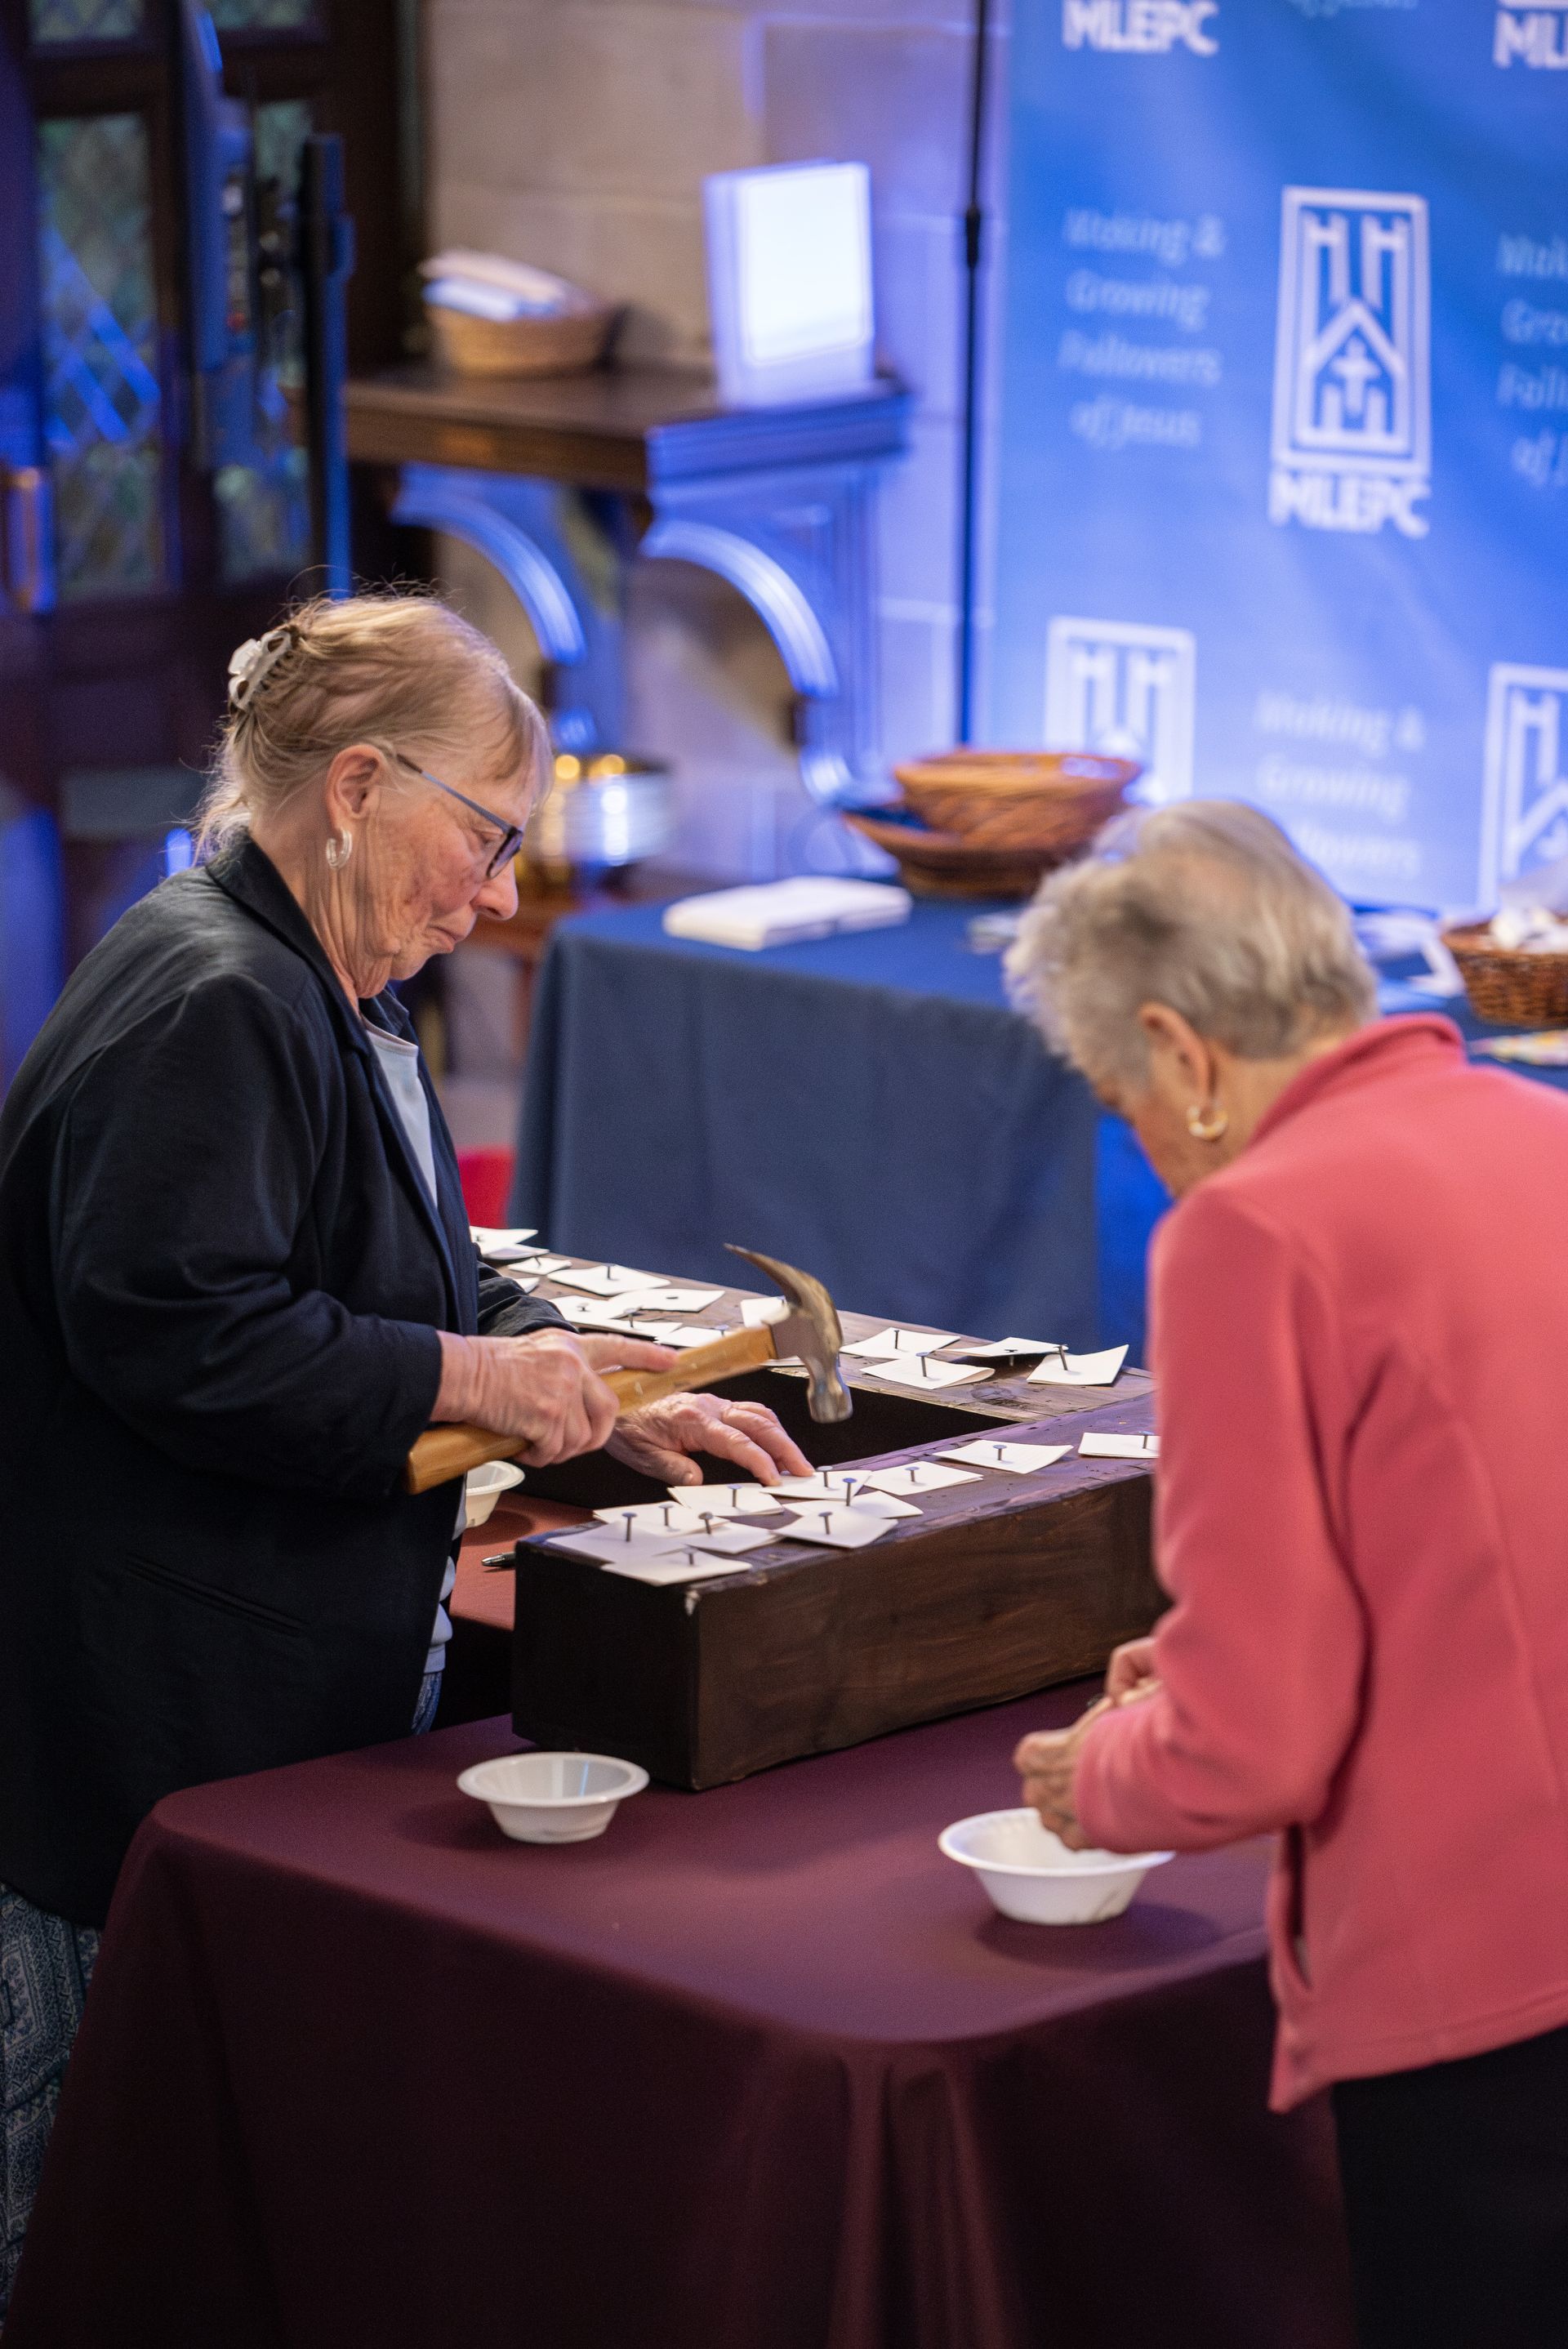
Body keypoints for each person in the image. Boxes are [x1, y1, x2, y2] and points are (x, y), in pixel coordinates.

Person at [0, 591, 808, 2316]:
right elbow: (188, 1337)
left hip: (199, 1738)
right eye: (491, 835)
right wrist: (479, 1381)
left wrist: (575, 1373)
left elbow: (409, 1270)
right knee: (86, 2256)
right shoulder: (215, 994)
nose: (502, 894)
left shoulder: (320, 968)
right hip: (112, 1780)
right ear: (358, 784)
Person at [1005, 801, 1568, 2349]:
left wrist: (1099, 1775)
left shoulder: (1252, 1231)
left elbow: (1259, 1738)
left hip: (1486, 1987)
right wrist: (1196, 1659)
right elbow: (1473, 1545)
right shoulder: (1542, 1129)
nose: (1143, 1145)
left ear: (1183, 1056)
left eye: (1121, 1099)